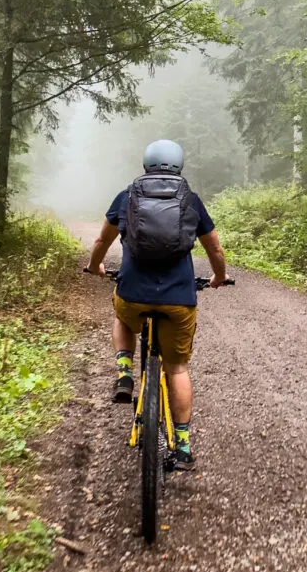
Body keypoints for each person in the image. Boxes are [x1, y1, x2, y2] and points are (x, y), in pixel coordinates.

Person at [86, 139, 229, 470]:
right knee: (177, 367)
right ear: (179, 165)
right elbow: (215, 250)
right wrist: (219, 277)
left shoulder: (127, 196)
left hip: (133, 294)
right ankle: (182, 445)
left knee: (121, 314)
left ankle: (124, 370)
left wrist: (95, 267)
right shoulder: (190, 200)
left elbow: (101, 241)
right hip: (178, 300)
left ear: (146, 164)